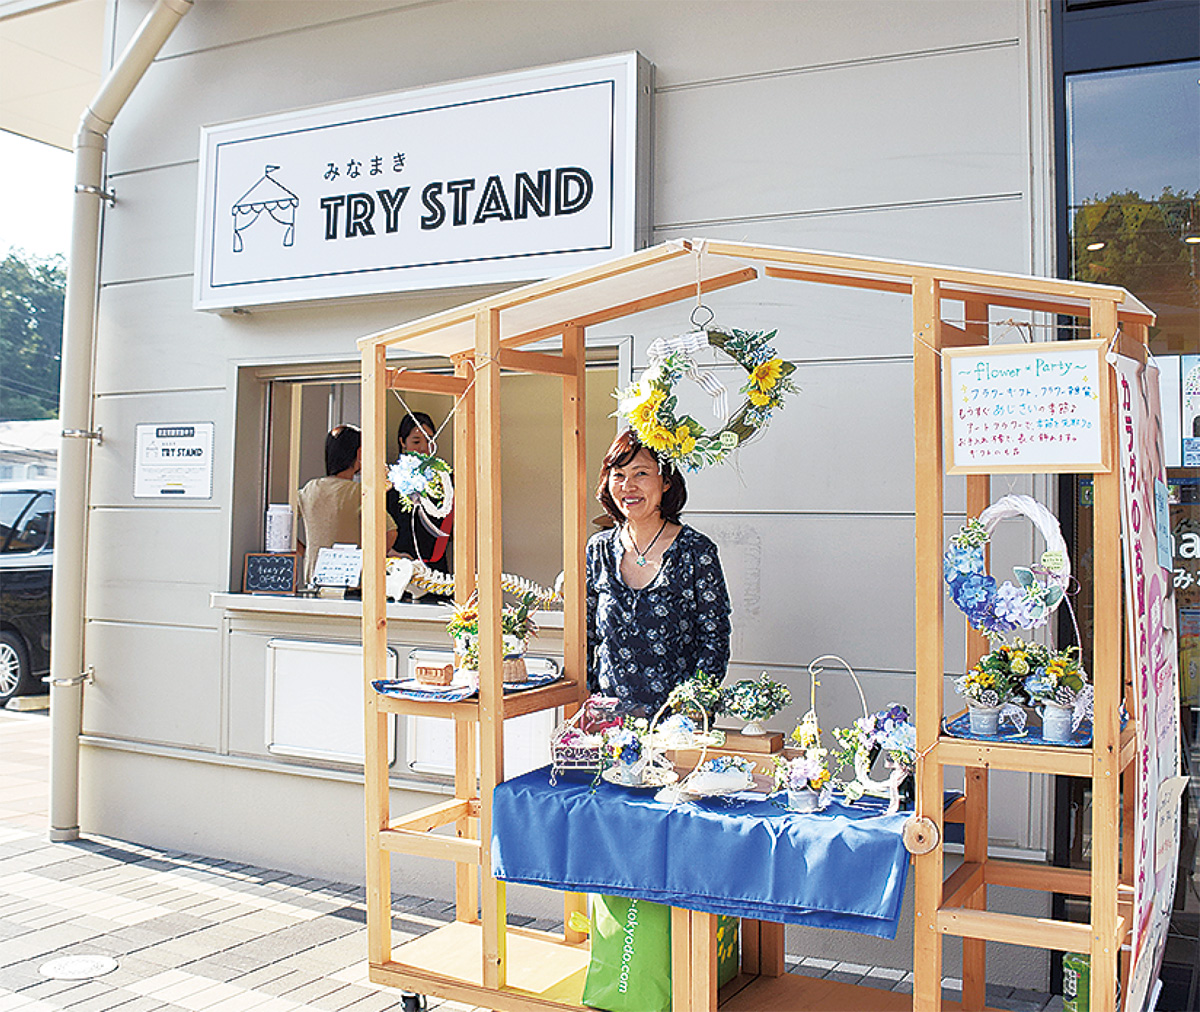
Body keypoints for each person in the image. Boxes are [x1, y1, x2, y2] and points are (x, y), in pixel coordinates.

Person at [586, 429, 732, 715]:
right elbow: (585, 636)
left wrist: (690, 709)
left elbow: (714, 640)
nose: (628, 486)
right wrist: (591, 698)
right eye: (618, 474)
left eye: (640, 474)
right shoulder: (598, 550)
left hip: (679, 726)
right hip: (608, 723)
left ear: (666, 481)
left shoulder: (695, 550)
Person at [297, 423, 396, 586]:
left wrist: (307, 552)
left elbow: (282, 524)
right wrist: (370, 559)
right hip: (352, 580)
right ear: (359, 454)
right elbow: (390, 532)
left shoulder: (310, 489)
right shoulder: (359, 492)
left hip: (314, 578)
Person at [386, 411, 454, 581]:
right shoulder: (390, 481)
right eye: (416, 441)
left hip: (436, 568)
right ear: (402, 442)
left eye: (430, 441)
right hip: (399, 567)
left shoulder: (445, 479)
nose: (424, 448)